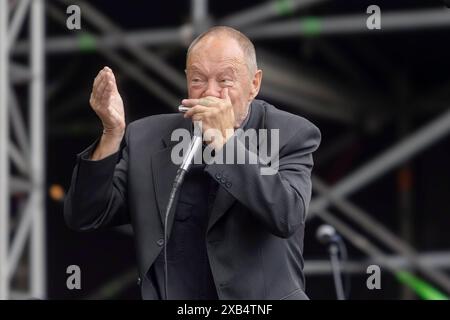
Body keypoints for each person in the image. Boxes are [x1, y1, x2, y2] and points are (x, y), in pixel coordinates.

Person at [64, 26, 321, 300]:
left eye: (225, 81)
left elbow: (286, 215)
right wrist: (112, 133)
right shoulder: (148, 137)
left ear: (254, 84)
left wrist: (225, 143)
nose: (210, 93)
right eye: (198, 79)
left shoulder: (290, 133)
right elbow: (86, 215)